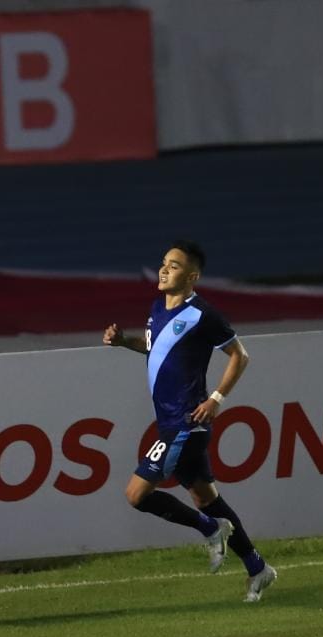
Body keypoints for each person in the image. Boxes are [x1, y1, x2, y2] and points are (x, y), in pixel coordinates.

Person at [103, 240, 276, 602]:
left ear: (192, 276)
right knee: (208, 499)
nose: (165, 269)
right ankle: (258, 567)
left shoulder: (203, 314)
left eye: (175, 265)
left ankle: (210, 530)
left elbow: (239, 356)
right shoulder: (157, 308)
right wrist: (124, 342)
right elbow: (155, 348)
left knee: (136, 494)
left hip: (186, 423)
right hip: (169, 422)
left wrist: (216, 398)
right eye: (164, 262)